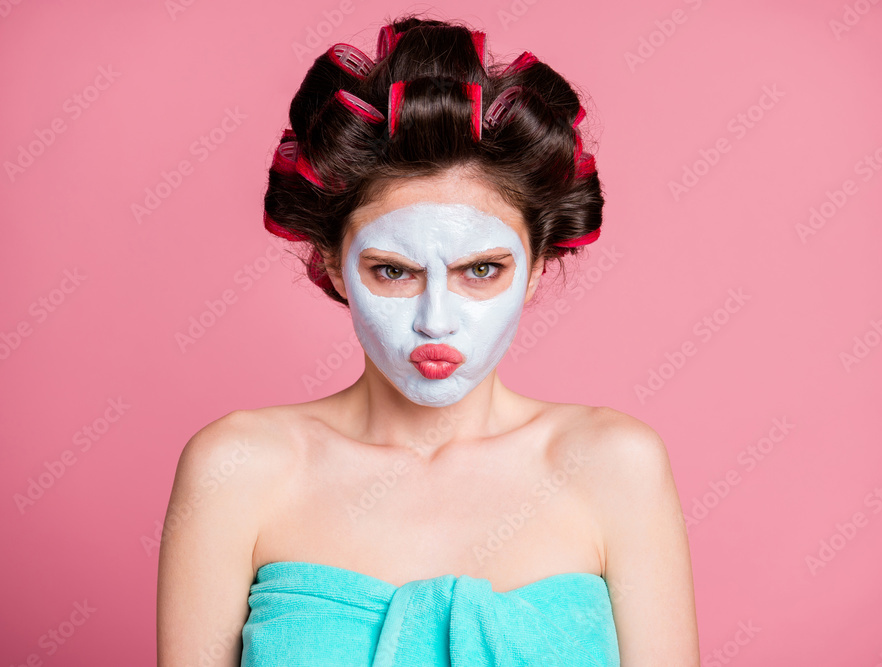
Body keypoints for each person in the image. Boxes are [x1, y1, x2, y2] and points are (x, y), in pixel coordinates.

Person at [157, 14, 699, 667]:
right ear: (332, 264)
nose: (434, 321)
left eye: (482, 270)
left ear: (535, 268)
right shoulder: (237, 467)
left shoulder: (615, 464)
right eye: (393, 270)